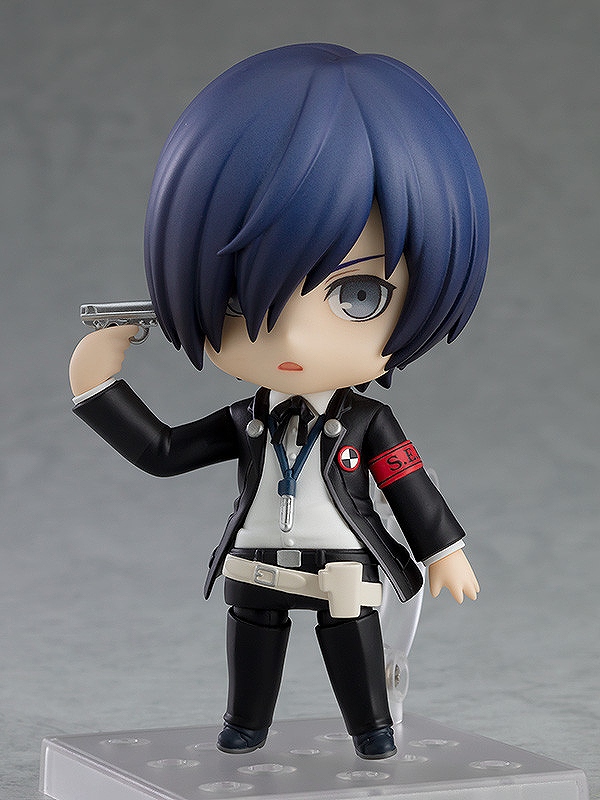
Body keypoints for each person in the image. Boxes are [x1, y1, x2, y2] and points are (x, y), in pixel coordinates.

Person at [69, 43, 489, 760]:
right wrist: (98, 385)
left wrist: (444, 551)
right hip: (254, 561)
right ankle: (244, 727)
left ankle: (372, 732)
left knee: (352, 647)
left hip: (344, 564)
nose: (292, 337)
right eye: (241, 297)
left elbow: (408, 483)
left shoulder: (368, 421)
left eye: (359, 296)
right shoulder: (247, 420)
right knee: (252, 650)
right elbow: (162, 451)